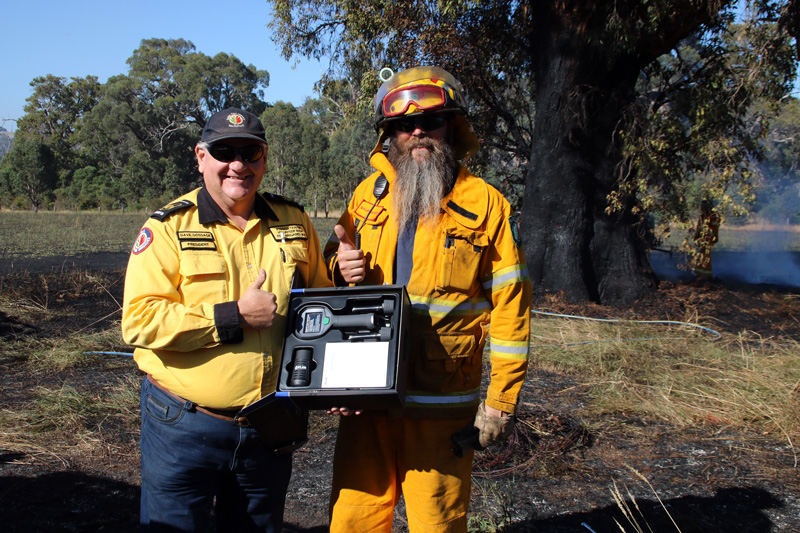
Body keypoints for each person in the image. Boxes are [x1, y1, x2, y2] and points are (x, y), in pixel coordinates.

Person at [324, 66, 532, 532]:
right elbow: (336, 274)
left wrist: (500, 402)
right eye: (403, 125)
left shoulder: (487, 205)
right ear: (389, 136)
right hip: (367, 399)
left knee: (438, 523)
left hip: (441, 406)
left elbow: (512, 312)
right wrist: (342, 266)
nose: (417, 132)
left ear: (451, 127)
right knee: (352, 520)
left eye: (432, 121)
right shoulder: (365, 198)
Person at [121, 107, 331, 532]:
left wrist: (346, 271)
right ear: (201, 157)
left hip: (268, 427)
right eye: (224, 151)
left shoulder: (294, 221)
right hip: (183, 426)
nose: (239, 164)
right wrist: (232, 316)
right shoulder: (167, 229)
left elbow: (321, 308)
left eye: (250, 153)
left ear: (265, 158)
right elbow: (140, 321)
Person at [692, 199, 721, 281]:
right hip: (704, 238)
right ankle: (701, 273)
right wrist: (696, 237)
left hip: (708, 239)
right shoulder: (705, 216)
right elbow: (699, 227)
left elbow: (712, 229)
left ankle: (705, 274)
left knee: (705, 255)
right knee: (702, 255)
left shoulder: (713, 216)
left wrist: (707, 237)